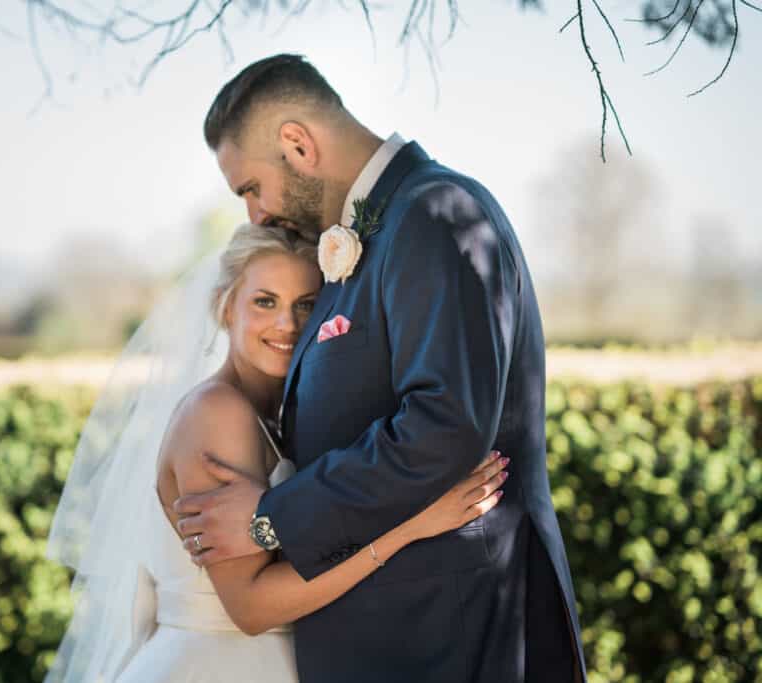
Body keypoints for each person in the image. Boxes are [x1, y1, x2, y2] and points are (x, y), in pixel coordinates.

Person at [172, 54, 586, 682]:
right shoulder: (372, 234)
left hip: (452, 631)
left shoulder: (435, 215)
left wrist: (271, 518)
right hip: (393, 635)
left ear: (297, 144)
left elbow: (444, 427)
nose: (253, 215)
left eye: (251, 187)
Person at [44, 223, 507, 683]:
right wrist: (410, 527)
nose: (286, 324)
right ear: (225, 308)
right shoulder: (217, 412)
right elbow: (251, 607)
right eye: (265, 302)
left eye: (306, 305)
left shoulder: (271, 416)